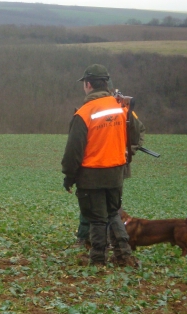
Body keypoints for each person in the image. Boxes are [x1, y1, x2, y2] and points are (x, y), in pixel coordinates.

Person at [62, 64, 143, 267]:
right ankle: (124, 256)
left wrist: (68, 176)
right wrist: (124, 153)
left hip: (91, 175)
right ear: (106, 84)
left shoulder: (84, 112)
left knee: (97, 219)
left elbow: (73, 151)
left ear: (88, 85)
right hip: (116, 173)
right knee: (113, 214)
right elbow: (135, 135)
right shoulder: (121, 107)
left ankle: (97, 261)